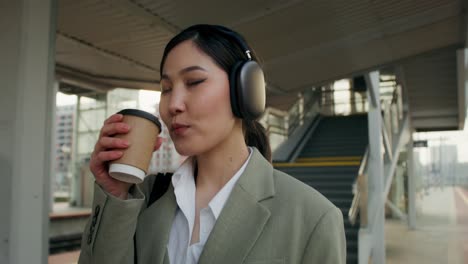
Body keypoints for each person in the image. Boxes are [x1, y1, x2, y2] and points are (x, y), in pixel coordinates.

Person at [78, 24, 346, 264]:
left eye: (194, 82)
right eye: (166, 88)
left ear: (245, 90)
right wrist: (115, 194)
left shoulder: (312, 217)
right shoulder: (143, 198)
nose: (173, 105)